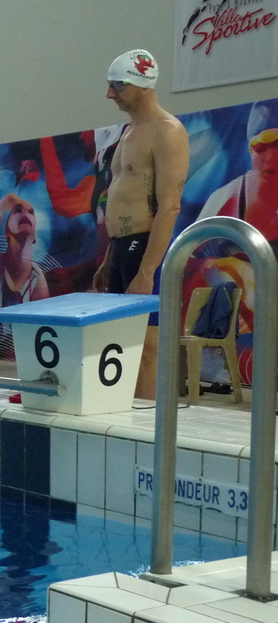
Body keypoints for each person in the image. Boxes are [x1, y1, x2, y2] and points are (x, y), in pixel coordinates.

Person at [92, 49, 189, 400]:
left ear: (143, 84)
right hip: (122, 249)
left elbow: (170, 207)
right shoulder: (129, 133)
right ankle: (126, 420)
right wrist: (109, 259)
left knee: (147, 347)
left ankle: (147, 426)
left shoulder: (167, 131)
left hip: (146, 249)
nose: (110, 93)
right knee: (122, 344)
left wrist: (147, 271)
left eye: (118, 85)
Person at [0, 193, 50, 355]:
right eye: (18, 210)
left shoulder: (37, 277)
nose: (25, 213)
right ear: (7, 232)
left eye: (30, 212)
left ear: (34, 236)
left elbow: (42, 333)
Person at [197, 98, 278, 252]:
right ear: (250, 150)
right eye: (260, 148)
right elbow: (186, 254)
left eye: (277, 146)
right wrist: (213, 263)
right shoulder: (229, 196)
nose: (269, 158)